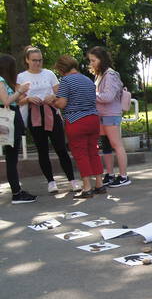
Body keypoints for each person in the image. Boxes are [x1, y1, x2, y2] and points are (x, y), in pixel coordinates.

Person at [17, 46, 80, 194]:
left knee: (61, 148)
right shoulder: (21, 76)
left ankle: (72, 180)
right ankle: (51, 182)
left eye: (40, 60)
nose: (37, 63)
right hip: (34, 115)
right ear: (27, 60)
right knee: (42, 150)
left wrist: (52, 97)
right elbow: (18, 100)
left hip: (51, 112)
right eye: (34, 60)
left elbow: (60, 93)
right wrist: (28, 98)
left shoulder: (49, 73)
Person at [47, 55, 105, 198]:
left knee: (81, 154)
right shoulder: (87, 79)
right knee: (93, 152)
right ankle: (99, 184)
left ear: (61, 69)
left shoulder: (66, 81)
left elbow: (62, 103)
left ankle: (86, 187)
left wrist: (52, 100)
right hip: (93, 119)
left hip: (76, 120)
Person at [88, 46, 130, 188]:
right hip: (102, 115)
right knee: (106, 145)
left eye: (94, 60)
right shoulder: (100, 74)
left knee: (116, 144)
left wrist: (91, 94)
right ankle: (110, 174)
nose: (91, 63)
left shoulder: (110, 75)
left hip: (111, 114)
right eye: (90, 61)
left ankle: (123, 176)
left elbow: (108, 96)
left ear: (102, 60)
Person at [0, 54, 35, 204]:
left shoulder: (5, 81)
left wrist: (19, 93)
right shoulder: (1, 81)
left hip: (11, 118)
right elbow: (6, 101)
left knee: (12, 157)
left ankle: (17, 190)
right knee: (11, 157)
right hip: (8, 119)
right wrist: (20, 91)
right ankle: (16, 193)